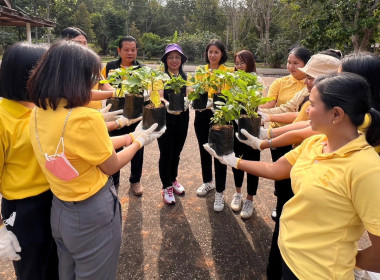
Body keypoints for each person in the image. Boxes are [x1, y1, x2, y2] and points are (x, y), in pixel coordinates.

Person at [204, 72, 380, 279]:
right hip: (290, 257)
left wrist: (344, 259)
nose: (307, 111)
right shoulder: (316, 143)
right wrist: (234, 161)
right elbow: (276, 170)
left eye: (312, 105)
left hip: (319, 273)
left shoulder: (366, 170)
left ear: (336, 114)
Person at [27, 40, 164, 280]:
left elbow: (83, 151)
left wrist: (129, 135)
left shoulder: (39, 111)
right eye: (90, 77)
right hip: (91, 214)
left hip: (60, 209)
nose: (93, 82)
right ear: (75, 79)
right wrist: (139, 143)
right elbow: (110, 165)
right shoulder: (84, 118)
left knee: (66, 272)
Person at [0, 42, 59, 280]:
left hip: (54, 197)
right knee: (32, 269)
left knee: (55, 263)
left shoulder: (40, 108)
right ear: (26, 75)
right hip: (24, 208)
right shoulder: (4, 119)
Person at [260, 47, 311, 233]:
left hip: (302, 141)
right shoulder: (282, 83)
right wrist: (261, 112)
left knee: (297, 179)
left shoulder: (312, 87)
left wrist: (265, 121)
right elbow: (282, 107)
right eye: (289, 62)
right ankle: (281, 204)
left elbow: (296, 115)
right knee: (281, 176)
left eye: (295, 63)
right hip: (279, 134)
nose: (290, 66)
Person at [60, 27, 139, 133]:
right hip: (74, 118)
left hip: (95, 114)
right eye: (78, 43)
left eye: (85, 43)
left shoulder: (92, 67)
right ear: (65, 44)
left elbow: (103, 85)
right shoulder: (62, 69)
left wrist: (124, 94)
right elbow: (81, 93)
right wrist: (115, 92)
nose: (83, 46)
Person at [101, 36, 145, 196]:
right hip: (115, 113)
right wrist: (118, 92)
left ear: (137, 51)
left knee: (137, 146)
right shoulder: (110, 67)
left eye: (133, 49)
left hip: (135, 114)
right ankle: (114, 179)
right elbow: (102, 84)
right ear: (119, 50)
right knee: (112, 147)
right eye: (126, 49)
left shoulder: (142, 69)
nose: (130, 52)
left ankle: (135, 180)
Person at [193, 39, 233, 212]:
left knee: (219, 152)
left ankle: (220, 191)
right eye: (210, 52)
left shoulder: (228, 72)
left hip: (219, 116)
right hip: (202, 114)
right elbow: (196, 91)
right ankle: (208, 182)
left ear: (222, 54)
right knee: (204, 150)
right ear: (206, 54)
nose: (213, 55)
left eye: (217, 52)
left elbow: (228, 94)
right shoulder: (200, 71)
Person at [229, 50, 261, 219]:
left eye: (242, 63)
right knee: (237, 161)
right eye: (237, 63)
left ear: (250, 63)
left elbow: (258, 103)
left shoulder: (257, 80)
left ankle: (250, 199)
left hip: (252, 129)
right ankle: (238, 193)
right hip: (236, 127)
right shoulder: (233, 80)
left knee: (253, 164)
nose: (239, 66)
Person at [157, 44, 189, 205]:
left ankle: (173, 178)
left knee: (177, 151)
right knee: (166, 152)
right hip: (165, 118)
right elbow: (160, 96)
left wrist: (188, 100)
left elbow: (189, 93)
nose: (174, 60)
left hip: (183, 118)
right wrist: (167, 104)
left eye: (177, 57)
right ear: (166, 60)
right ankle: (166, 186)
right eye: (171, 57)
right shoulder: (161, 77)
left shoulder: (185, 77)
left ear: (182, 60)